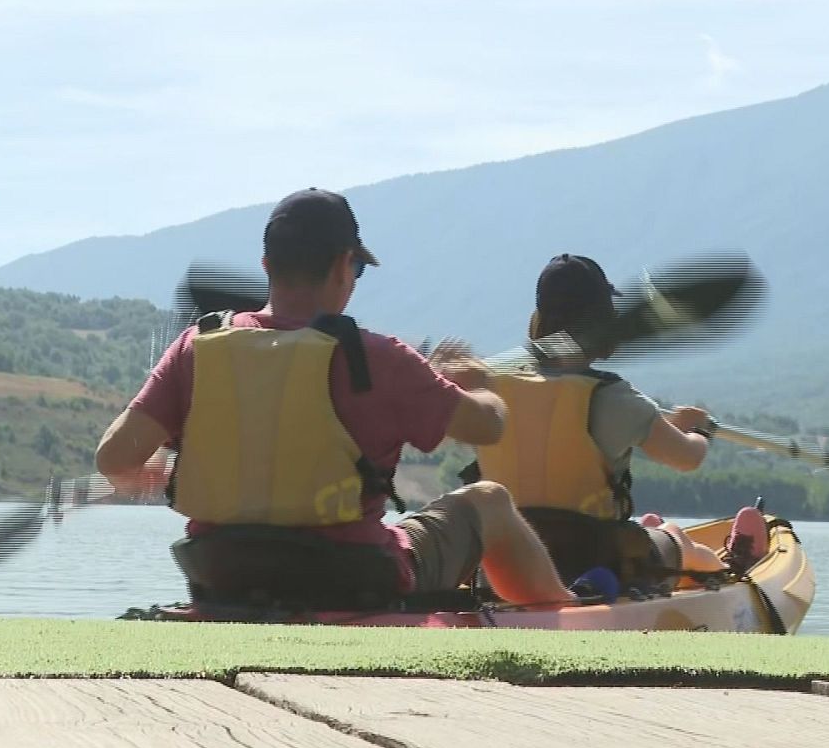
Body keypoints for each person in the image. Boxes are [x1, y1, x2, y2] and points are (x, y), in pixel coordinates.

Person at [94, 187, 575, 610]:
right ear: (346, 265)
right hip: (352, 577)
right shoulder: (377, 357)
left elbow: (113, 459)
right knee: (488, 500)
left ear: (267, 266)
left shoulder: (196, 348)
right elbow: (487, 427)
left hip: (223, 572)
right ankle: (567, 614)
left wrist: (170, 471)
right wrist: (480, 381)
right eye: (358, 270)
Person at [461, 253, 766, 592]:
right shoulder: (613, 398)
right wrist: (699, 431)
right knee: (677, 538)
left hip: (504, 571)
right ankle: (731, 572)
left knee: (652, 536)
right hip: (596, 566)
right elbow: (687, 458)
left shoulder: (487, 391)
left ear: (538, 320)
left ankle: (658, 538)